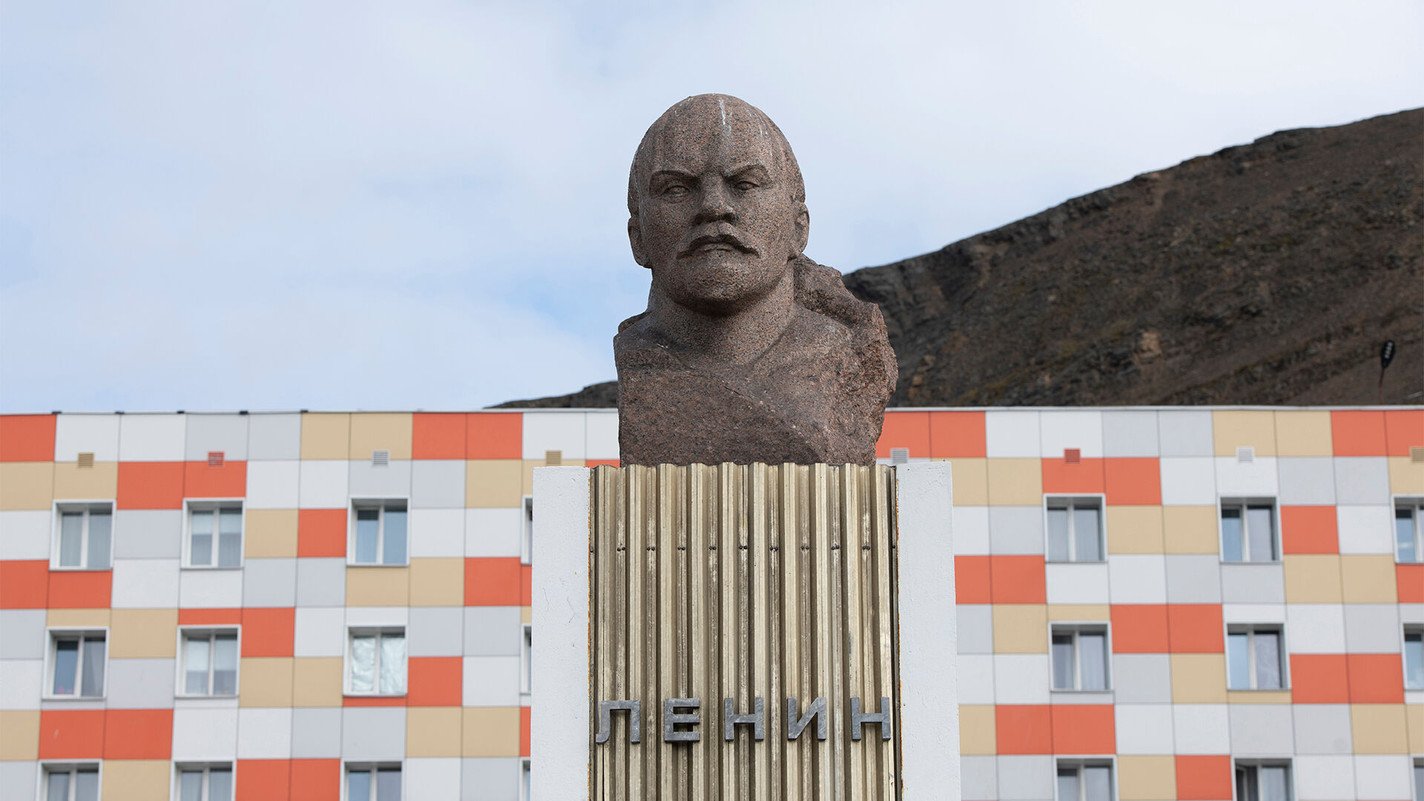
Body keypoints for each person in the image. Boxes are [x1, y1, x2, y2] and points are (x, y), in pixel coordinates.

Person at [616, 94, 896, 466]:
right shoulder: (640, 362)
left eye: (745, 184)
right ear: (638, 238)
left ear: (799, 227)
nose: (714, 206)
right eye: (677, 188)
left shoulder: (838, 352)